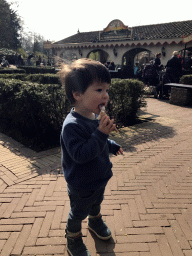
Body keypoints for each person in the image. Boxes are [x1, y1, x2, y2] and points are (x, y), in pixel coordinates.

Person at [59, 58, 123, 256]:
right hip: (81, 183)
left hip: (100, 177)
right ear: (77, 94)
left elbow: (98, 142)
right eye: (98, 90)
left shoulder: (95, 117)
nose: (105, 96)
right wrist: (102, 134)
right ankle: (73, 236)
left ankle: (95, 220)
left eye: (107, 90)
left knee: (96, 202)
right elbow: (80, 154)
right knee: (78, 212)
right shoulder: (72, 126)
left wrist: (111, 145)